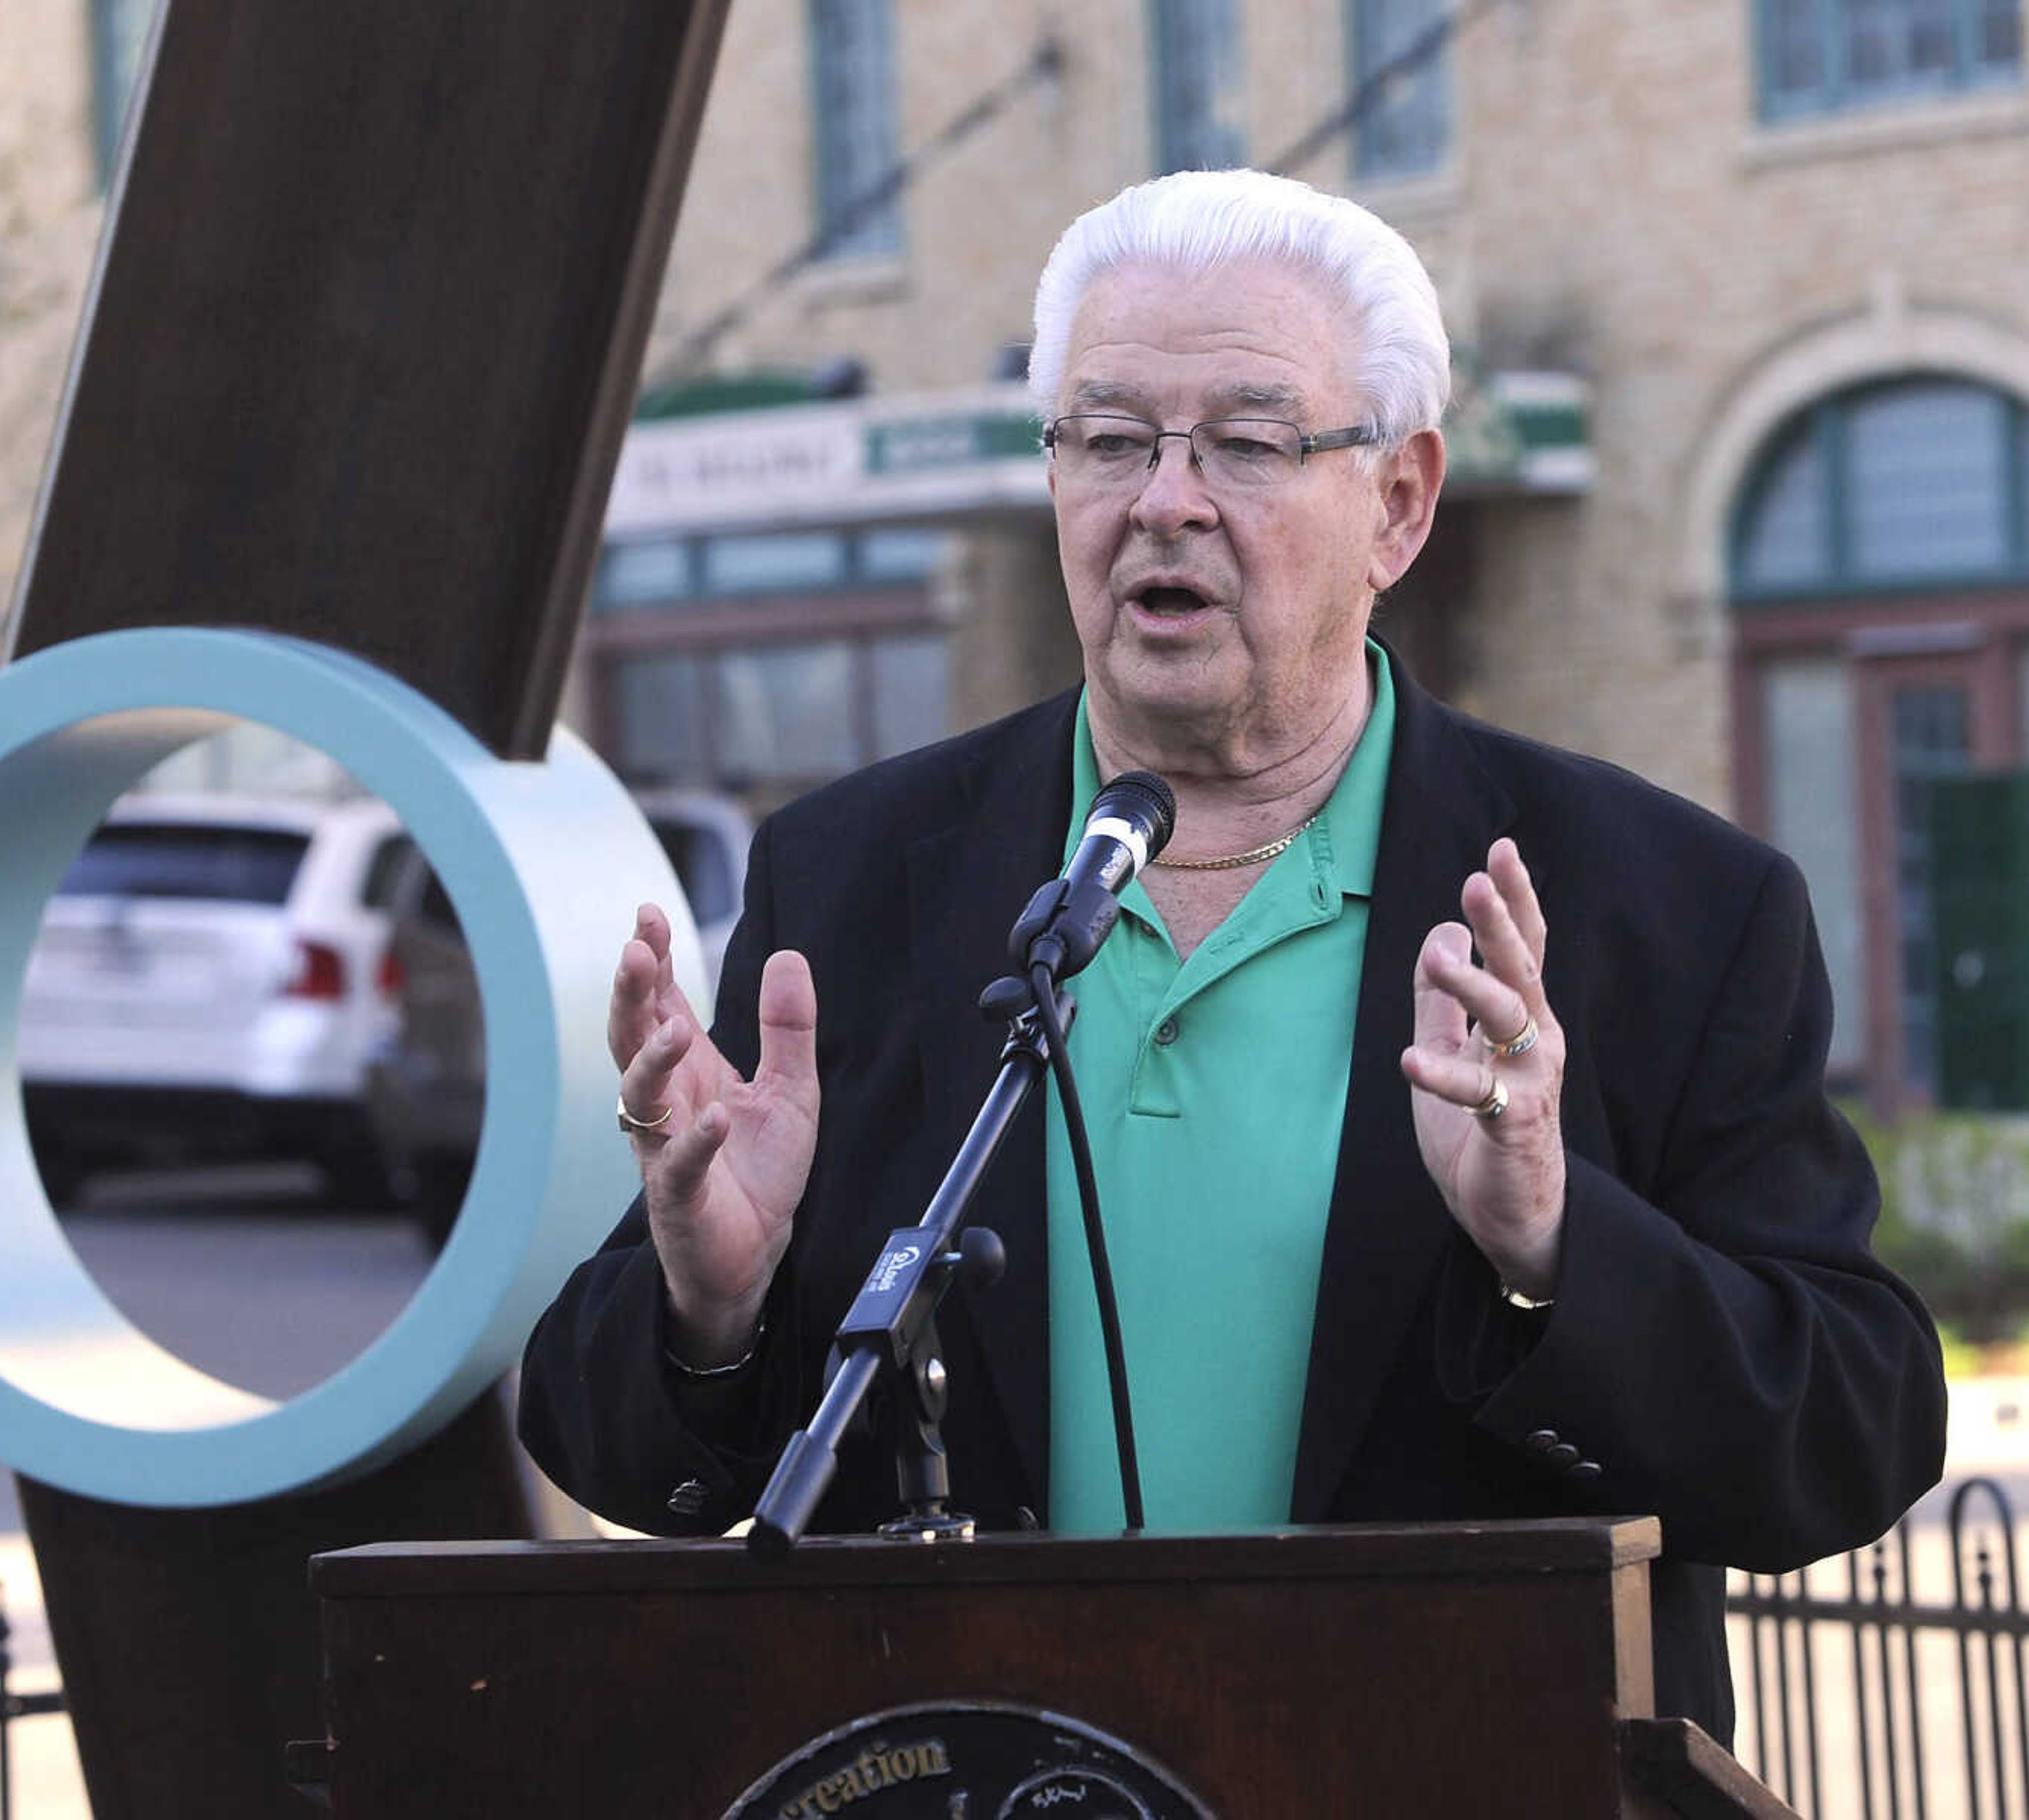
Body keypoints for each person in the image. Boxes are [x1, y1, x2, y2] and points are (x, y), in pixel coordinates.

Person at [517, 168, 1946, 1742]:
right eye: (1110, 439)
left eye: (1249, 443)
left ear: (1398, 503)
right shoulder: (854, 882)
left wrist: (1554, 1240)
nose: (1165, 501)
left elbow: (1852, 1439)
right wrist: (712, 1305)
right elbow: (608, 1443)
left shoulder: (1661, 908)